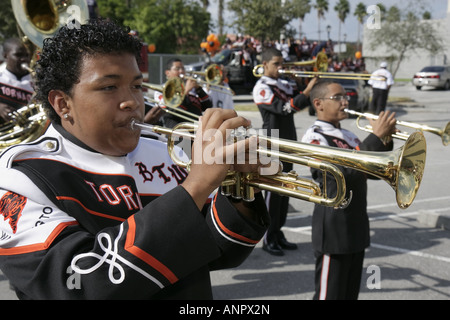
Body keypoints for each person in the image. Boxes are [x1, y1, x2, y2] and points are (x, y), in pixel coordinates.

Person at [0, 19, 269, 300]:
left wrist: (240, 193)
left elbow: (216, 251)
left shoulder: (164, 152)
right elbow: (78, 284)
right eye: (109, 88)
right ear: (63, 103)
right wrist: (195, 187)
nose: (132, 102)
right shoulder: (21, 177)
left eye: (137, 86)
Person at [301, 80, 397, 300]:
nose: (345, 102)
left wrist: (385, 138)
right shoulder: (314, 137)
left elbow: (373, 171)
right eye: (338, 98)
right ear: (319, 103)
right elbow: (337, 174)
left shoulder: (351, 137)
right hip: (333, 228)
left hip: (355, 225)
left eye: (346, 97)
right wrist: (373, 138)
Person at [253, 47, 318, 256]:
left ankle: (278, 231)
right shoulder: (261, 87)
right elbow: (285, 108)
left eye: (282, 64)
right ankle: (268, 236)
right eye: (276, 64)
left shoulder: (281, 83)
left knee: (286, 190)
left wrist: (303, 84)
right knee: (272, 192)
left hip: (288, 141)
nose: (281, 68)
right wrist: (306, 91)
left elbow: (301, 100)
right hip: (271, 143)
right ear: (265, 65)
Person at [155, 58, 212, 128]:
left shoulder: (191, 87)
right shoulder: (162, 89)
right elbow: (170, 111)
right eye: (177, 69)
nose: (181, 71)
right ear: (168, 73)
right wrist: (186, 91)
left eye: (183, 68)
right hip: (179, 130)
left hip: (197, 127)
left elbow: (208, 106)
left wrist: (199, 89)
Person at [0, 38, 33, 122]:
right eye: (18, 55)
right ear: (5, 56)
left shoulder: (36, 80)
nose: (24, 59)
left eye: (26, 55)